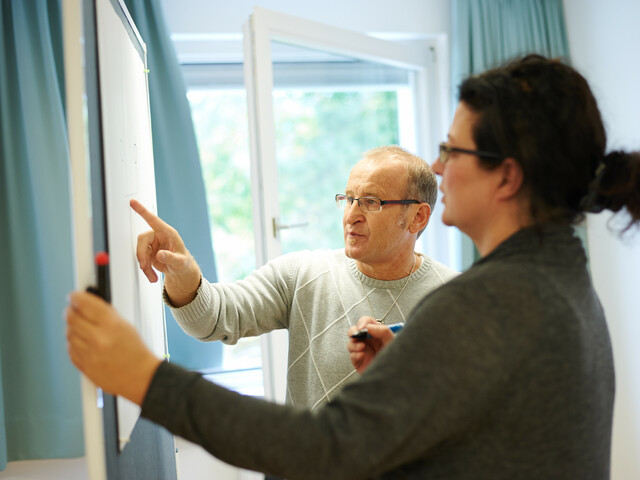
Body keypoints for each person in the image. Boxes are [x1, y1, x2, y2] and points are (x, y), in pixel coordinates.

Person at [66, 55, 640, 479]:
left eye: (454, 152)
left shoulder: (482, 303)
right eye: (350, 199)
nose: (439, 168)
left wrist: (144, 377)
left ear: (507, 177)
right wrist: (413, 374)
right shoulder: (562, 281)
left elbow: (324, 449)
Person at [130, 145, 458, 410]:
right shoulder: (303, 274)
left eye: (371, 202)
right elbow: (214, 319)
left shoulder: (456, 298)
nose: (352, 215)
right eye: (348, 198)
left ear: (417, 217)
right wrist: (182, 272)